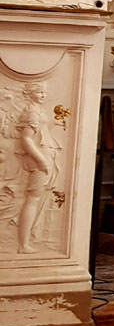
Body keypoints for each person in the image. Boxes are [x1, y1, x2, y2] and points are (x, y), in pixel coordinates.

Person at [13, 82, 62, 254]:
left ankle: (28, 240)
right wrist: (41, 160)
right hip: (39, 156)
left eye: (44, 93)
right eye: (39, 93)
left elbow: (40, 131)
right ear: (31, 94)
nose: (43, 96)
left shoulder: (37, 110)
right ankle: (23, 244)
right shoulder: (32, 112)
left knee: (36, 199)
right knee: (33, 199)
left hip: (45, 153)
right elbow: (26, 139)